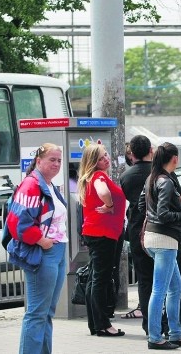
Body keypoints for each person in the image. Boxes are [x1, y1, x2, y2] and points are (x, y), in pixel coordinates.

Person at [6, 143, 67, 353]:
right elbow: (17, 224)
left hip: (55, 251)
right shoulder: (32, 185)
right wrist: (41, 240)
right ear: (39, 161)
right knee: (37, 314)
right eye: (52, 159)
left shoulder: (48, 184)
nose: (57, 164)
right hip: (43, 253)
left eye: (59, 160)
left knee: (46, 313)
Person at [142, 142, 181, 349]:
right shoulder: (165, 181)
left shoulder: (152, 179)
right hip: (164, 239)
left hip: (155, 238)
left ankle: (175, 333)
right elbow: (164, 213)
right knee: (161, 289)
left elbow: (142, 205)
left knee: (175, 287)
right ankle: (155, 337)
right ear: (174, 158)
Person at [78, 144, 127, 337]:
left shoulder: (90, 176)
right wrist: (110, 204)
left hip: (97, 232)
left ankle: (96, 323)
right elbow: (103, 191)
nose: (106, 159)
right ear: (93, 163)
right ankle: (103, 324)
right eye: (101, 157)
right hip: (102, 233)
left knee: (95, 278)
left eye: (106, 154)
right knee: (101, 279)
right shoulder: (98, 176)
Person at [119, 135, 153, 331]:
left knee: (143, 277)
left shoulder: (126, 176)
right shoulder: (160, 173)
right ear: (150, 150)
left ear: (131, 154)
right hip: (158, 229)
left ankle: (147, 320)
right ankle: (162, 320)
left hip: (135, 228)